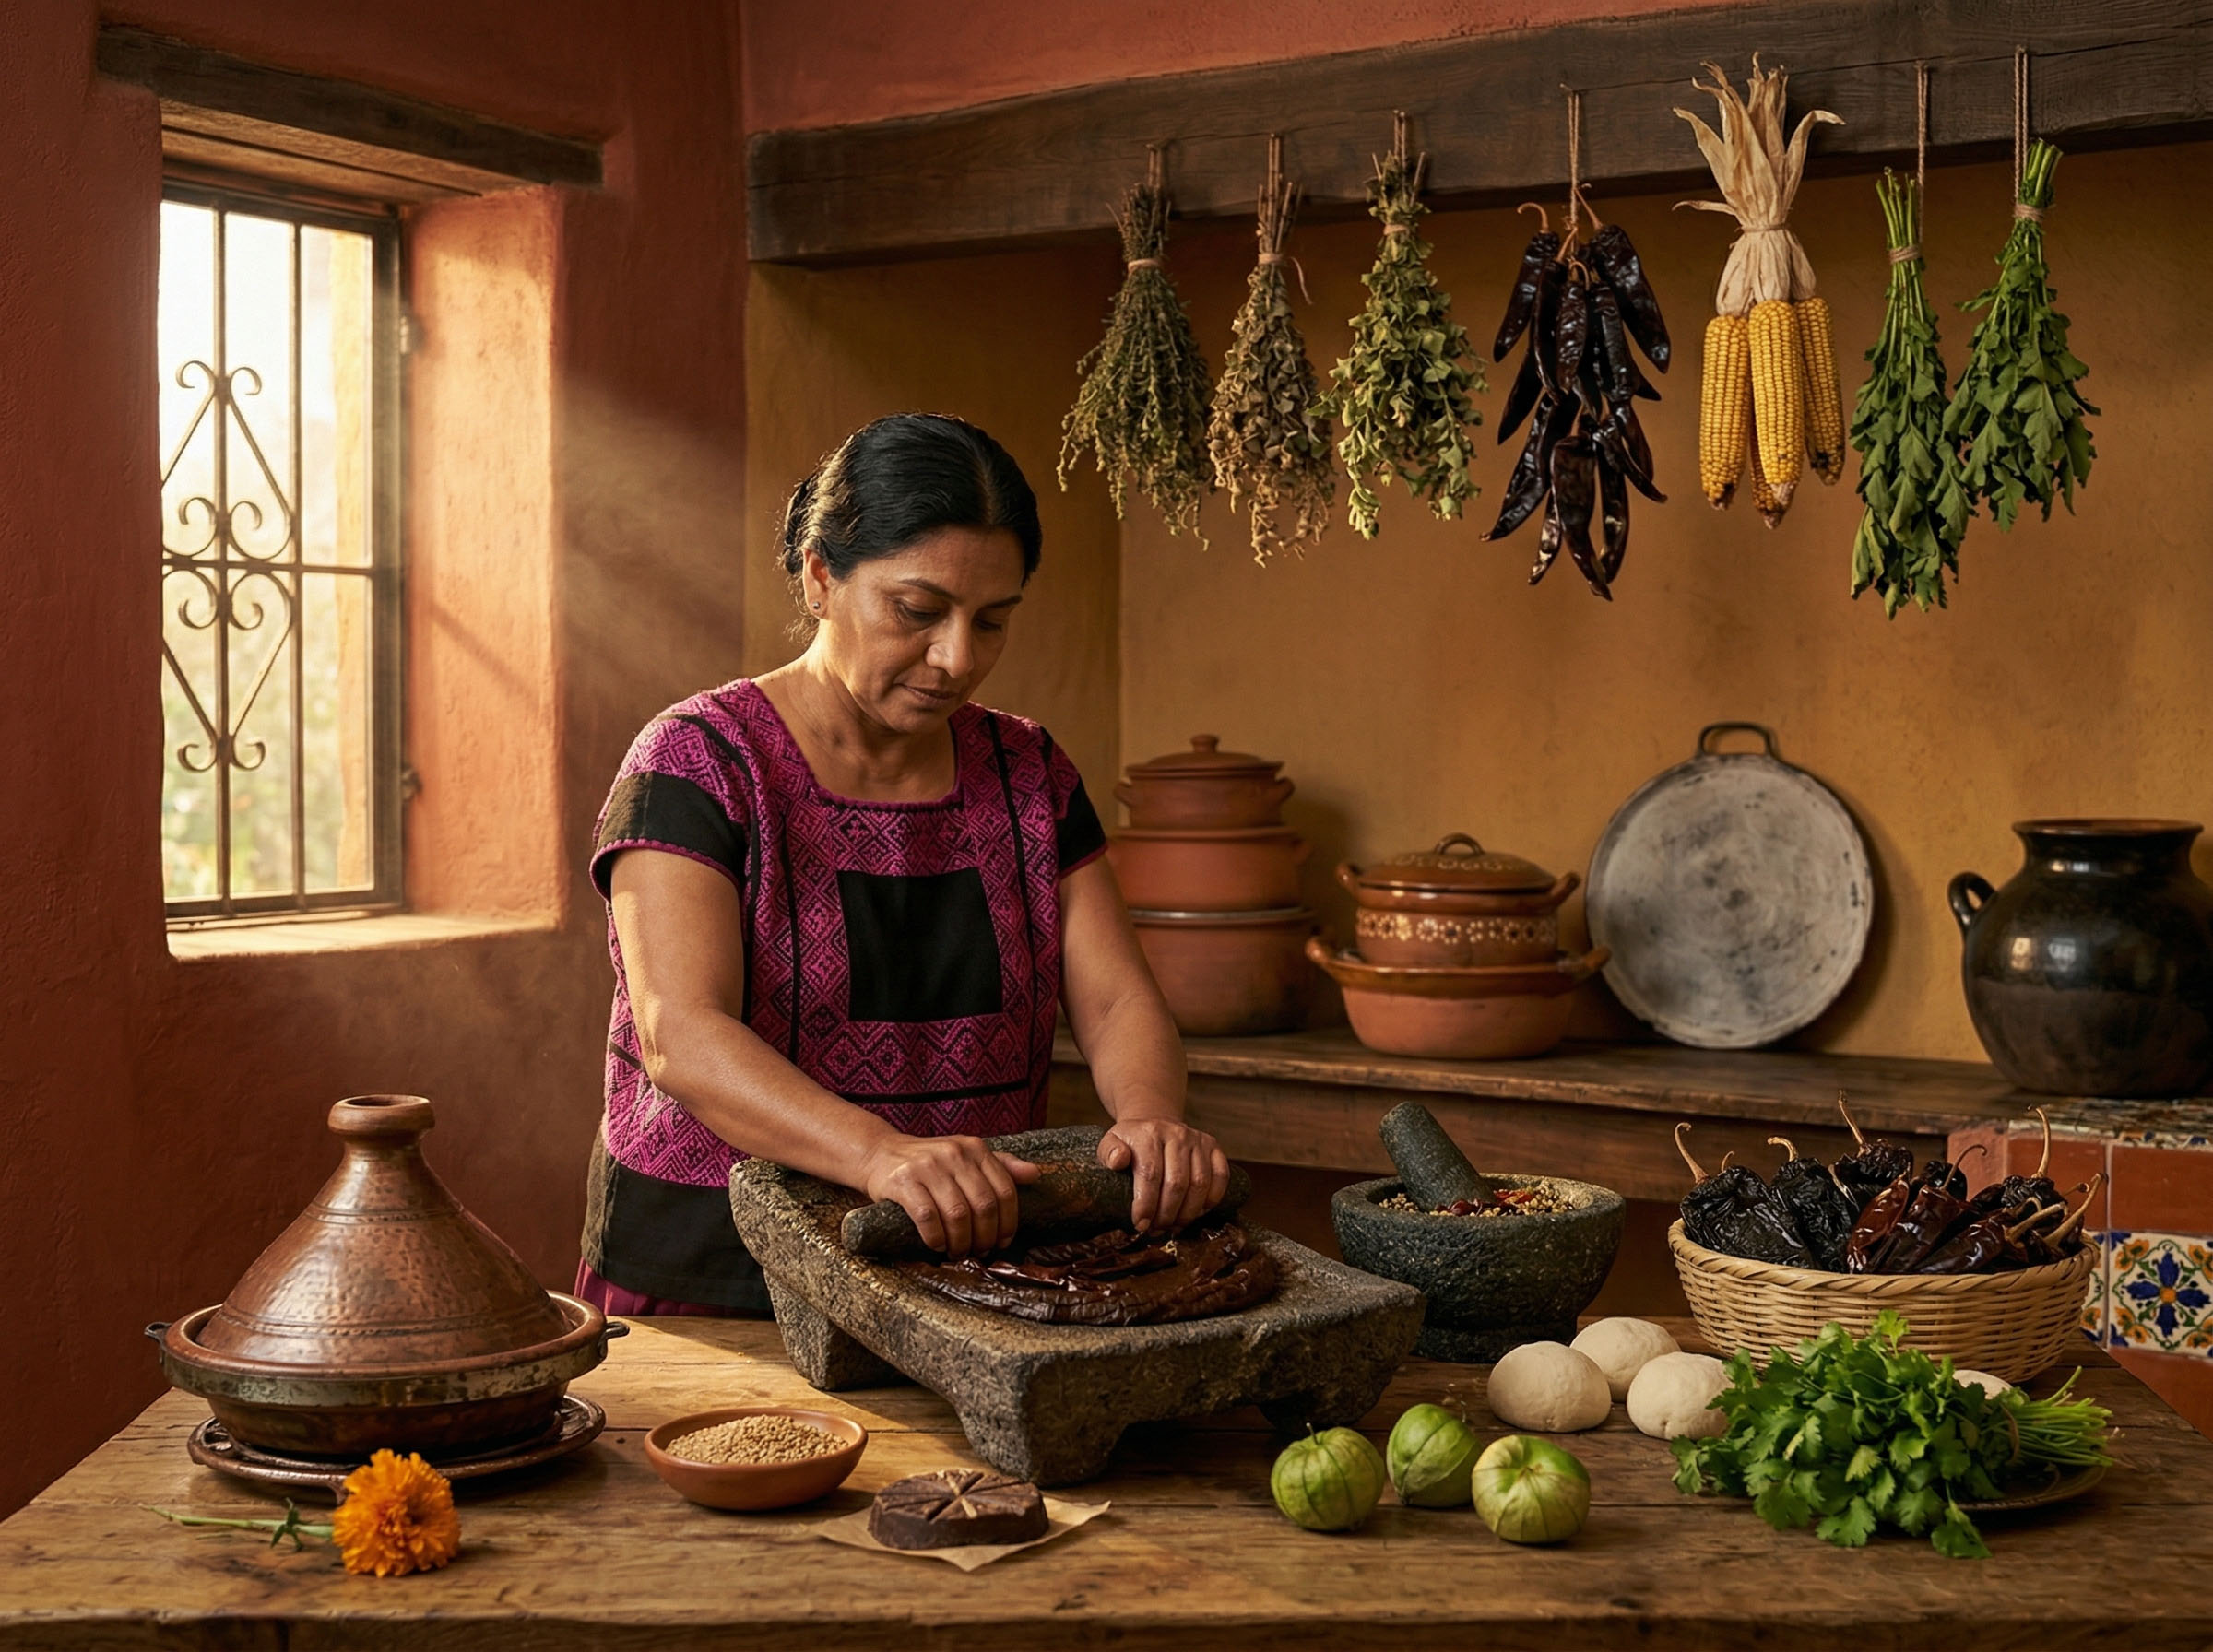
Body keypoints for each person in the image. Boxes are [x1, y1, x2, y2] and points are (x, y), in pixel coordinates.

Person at [575, 412, 1228, 1315]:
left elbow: (1115, 998)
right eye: (917, 612)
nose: (957, 658)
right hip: (716, 1271)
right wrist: (879, 1153)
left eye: (991, 622)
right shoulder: (698, 761)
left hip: (964, 1268)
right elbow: (680, 1034)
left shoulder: (1030, 771)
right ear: (820, 578)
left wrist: (1151, 1117)